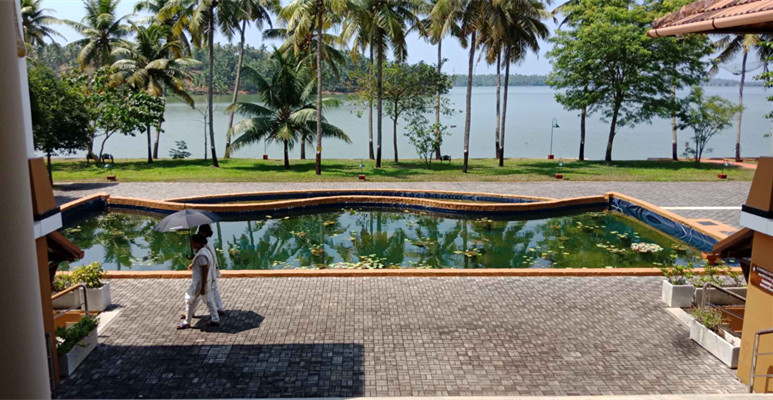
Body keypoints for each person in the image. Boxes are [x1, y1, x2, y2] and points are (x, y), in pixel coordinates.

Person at [177, 234, 219, 329]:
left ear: (198, 243)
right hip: (206, 281)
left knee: (190, 300)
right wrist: (194, 261)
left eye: (193, 242)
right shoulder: (204, 251)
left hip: (200, 283)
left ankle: (187, 321)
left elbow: (204, 270)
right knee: (208, 300)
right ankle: (215, 319)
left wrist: (203, 286)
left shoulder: (201, 256)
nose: (191, 243)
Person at [197, 224, 225, 314]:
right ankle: (219, 307)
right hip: (212, 268)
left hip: (208, 269)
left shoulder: (205, 243)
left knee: (202, 290)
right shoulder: (209, 241)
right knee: (214, 288)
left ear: (203, 232)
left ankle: (191, 311)